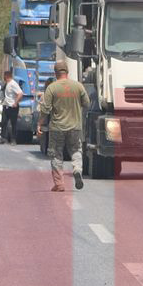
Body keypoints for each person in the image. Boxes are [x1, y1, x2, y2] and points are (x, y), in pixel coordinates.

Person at [37, 59, 88, 192]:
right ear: (67, 71)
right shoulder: (78, 86)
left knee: (56, 154)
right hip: (75, 126)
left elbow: (45, 109)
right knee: (76, 150)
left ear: (55, 73)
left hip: (57, 128)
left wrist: (39, 124)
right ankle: (77, 169)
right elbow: (87, 103)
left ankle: (59, 184)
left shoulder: (51, 88)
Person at [0, 72, 23, 144]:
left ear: (7, 76)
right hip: (6, 105)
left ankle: (13, 139)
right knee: (3, 122)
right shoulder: (7, 83)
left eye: (4, 76)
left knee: (13, 123)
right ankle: (3, 138)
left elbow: (20, 93)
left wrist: (15, 102)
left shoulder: (13, 84)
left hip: (12, 106)